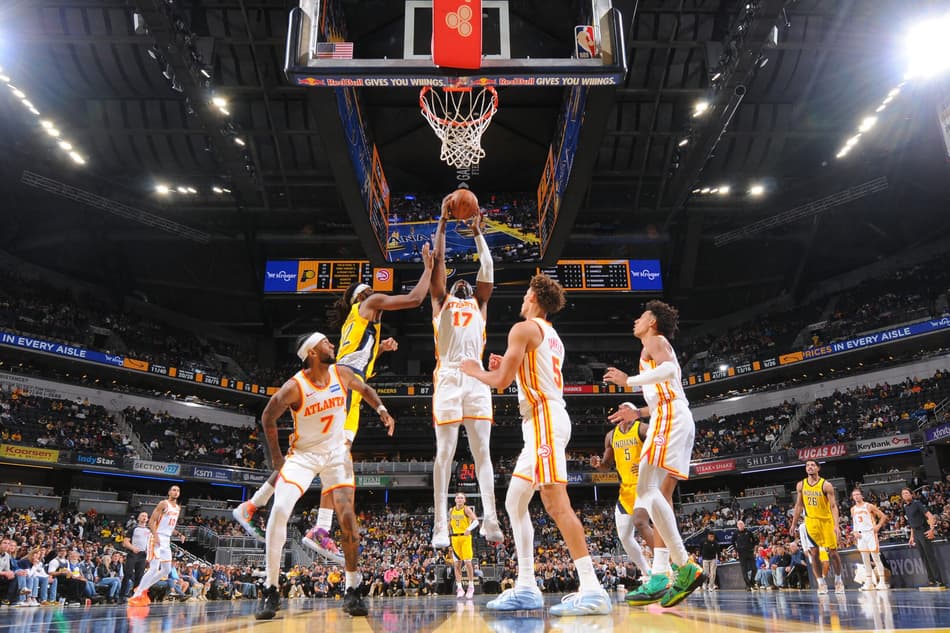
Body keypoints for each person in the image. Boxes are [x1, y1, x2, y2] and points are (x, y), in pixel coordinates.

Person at [233, 245, 433, 564]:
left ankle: (256, 506)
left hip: (347, 387)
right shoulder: (369, 304)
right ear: (362, 296)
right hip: (345, 392)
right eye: (369, 291)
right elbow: (414, 300)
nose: (375, 294)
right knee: (331, 459)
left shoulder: (352, 326)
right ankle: (312, 527)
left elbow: (354, 362)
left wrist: (379, 349)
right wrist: (428, 268)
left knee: (325, 457)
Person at [462, 274, 612, 616]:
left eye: (526, 291)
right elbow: (522, 374)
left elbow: (498, 383)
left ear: (534, 297)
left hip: (544, 419)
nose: (523, 297)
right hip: (543, 420)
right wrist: (509, 369)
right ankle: (527, 585)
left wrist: (474, 370)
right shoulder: (550, 334)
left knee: (556, 504)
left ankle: (592, 588)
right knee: (515, 500)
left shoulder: (524, 328)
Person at [254, 332, 396, 620]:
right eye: (326, 343)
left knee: (347, 519)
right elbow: (268, 416)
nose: (332, 344)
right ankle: (270, 587)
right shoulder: (295, 387)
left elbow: (365, 388)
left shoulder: (341, 373)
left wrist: (381, 409)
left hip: (336, 454)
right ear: (312, 353)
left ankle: (353, 588)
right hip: (303, 457)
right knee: (280, 509)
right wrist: (278, 459)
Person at [603, 300, 704, 607]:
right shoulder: (649, 347)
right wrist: (638, 414)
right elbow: (664, 393)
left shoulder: (655, 341)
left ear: (653, 322)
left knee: (648, 490)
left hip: (671, 420)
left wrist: (627, 382)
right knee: (655, 494)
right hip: (669, 416)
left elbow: (670, 370)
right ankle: (663, 571)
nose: (637, 319)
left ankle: (684, 565)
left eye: (641, 316)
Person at [430, 200, 502, 547]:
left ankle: (490, 518)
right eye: (456, 282)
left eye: (466, 282)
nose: (461, 283)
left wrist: (478, 236)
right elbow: (441, 264)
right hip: (447, 377)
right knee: (445, 452)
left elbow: (487, 265)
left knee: (482, 453)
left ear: (473, 290)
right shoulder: (440, 300)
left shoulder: (480, 304)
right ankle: (440, 525)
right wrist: (443, 224)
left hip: (475, 379)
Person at [589, 411, 653, 584]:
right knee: (624, 536)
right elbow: (606, 466)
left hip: (644, 486)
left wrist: (644, 463)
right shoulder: (611, 435)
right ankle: (647, 572)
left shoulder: (642, 428)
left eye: (624, 408)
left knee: (642, 524)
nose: (620, 412)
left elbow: (660, 444)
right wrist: (598, 464)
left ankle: (666, 568)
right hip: (625, 491)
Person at [789, 460, 844, 595]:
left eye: (812, 465)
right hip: (811, 522)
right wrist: (793, 523)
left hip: (826, 521)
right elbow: (799, 506)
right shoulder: (801, 485)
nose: (809, 467)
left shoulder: (826, 485)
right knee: (814, 553)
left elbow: (833, 506)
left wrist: (836, 525)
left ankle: (838, 580)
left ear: (818, 468)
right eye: (807, 465)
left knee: (833, 553)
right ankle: (821, 583)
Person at [127, 485, 185, 606]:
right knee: (154, 568)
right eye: (173, 490)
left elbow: (171, 526)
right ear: (169, 492)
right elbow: (151, 521)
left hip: (166, 539)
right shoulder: (163, 503)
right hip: (156, 537)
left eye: (178, 490)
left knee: (166, 570)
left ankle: (142, 588)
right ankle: (136, 596)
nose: (176, 492)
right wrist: (156, 535)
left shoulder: (178, 508)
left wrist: (179, 534)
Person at [902, 487, 945, 588]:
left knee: (930, 557)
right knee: (924, 558)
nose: (905, 495)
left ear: (911, 494)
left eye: (907, 493)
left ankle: (939, 580)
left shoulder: (917, 504)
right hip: (916, 533)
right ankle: (931, 580)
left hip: (923, 531)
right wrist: (911, 537)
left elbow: (930, 516)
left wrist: (932, 530)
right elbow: (911, 523)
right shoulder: (906, 507)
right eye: (903, 494)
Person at [850, 488, 888, 591]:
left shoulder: (869, 506)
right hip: (861, 536)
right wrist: (855, 532)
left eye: (858, 494)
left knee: (876, 558)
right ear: (853, 497)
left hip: (870, 533)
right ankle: (869, 583)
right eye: (854, 495)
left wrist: (878, 526)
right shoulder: (853, 509)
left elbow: (883, 516)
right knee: (865, 560)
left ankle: (882, 582)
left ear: (862, 496)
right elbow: (855, 523)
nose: (856, 496)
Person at [447, 492, 480, 599]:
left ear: (464, 500)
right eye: (458, 497)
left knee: (468, 563)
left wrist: (468, 529)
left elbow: (476, 521)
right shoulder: (451, 510)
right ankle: (459, 588)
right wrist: (446, 535)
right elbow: (449, 524)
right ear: (455, 499)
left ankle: (471, 587)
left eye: (462, 498)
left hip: (465, 538)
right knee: (457, 564)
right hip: (454, 538)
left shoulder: (466, 509)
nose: (459, 499)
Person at [122, 512, 150, 600]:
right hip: (133, 553)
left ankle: (135, 595)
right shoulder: (133, 529)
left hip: (143, 555)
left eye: (146, 516)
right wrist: (133, 548)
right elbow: (125, 542)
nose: (144, 517)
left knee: (139, 575)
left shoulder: (149, 531)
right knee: (128, 574)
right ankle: (121, 595)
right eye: (142, 515)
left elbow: (149, 543)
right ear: (138, 518)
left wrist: (148, 553)